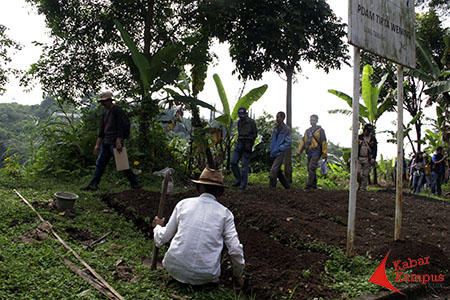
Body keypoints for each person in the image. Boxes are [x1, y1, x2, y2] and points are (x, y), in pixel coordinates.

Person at [152, 167, 245, 286]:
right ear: (221, 192)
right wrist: (237, 274)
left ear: (197, 189)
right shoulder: (225, 214)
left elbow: (162, 238)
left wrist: (158, 227)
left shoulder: (183, 204)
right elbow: (235, 249)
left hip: (174, 268)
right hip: (206, 276)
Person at [81, 91, 141, 191]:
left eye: (104, 102)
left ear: (109, 101)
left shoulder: (117, 111)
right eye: (102, 102)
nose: (103, 104)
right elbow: (102, 130)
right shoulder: (105, 113)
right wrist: (97, 145)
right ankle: (93, 185)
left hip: (115, 141)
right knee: (100, 164)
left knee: (123, 164)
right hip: (106, 142)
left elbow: (121, 126)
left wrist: (119, 140)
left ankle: (135, 184)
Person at [296, 114, 327, 189]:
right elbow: (303, 141)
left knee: (311, 167)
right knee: (310, 168)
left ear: (316, 121)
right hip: (309, 152)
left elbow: (324, 142)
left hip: (317, 151)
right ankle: (314, 185)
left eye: (313, 120)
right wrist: (299, 151)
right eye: (311, 120)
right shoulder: (307, 131)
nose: (312, 121)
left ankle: (308, 185)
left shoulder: (320, 131)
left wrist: (324, 153)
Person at [230, 107, 258, 190]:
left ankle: (243, 184)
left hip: (247, 144)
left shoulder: (251, 122)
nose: (241, 118)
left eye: (243, 116)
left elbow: (255, 134)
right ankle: (238, 180)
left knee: (244, 167)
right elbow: (239, 133)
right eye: (240, 116)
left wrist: (250, 143)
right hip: (239, 143)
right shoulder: (239, 122)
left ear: (246, 114)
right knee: (233, 162)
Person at [269, 112, 291, 189]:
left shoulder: (286, 129)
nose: (276, 119)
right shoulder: (275, 128)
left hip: (280, 153)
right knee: (278, 172)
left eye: (278, 117)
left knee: (273, 171)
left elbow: (288, 142)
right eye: (276, 117)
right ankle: (287, 186)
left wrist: (281, 148)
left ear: (282, 118)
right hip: (273, 152)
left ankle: (272, 188)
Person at [357, 124, 377, 191]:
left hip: (367, 158)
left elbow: (375, 149)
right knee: (357, 172)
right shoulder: (359, 137)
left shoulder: (373, 139)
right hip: (359, 158)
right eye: (367, 131)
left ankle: (363, 188)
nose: (368, 132)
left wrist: (373, 158)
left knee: (365, 174)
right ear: (364, 130)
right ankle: (359, 183)